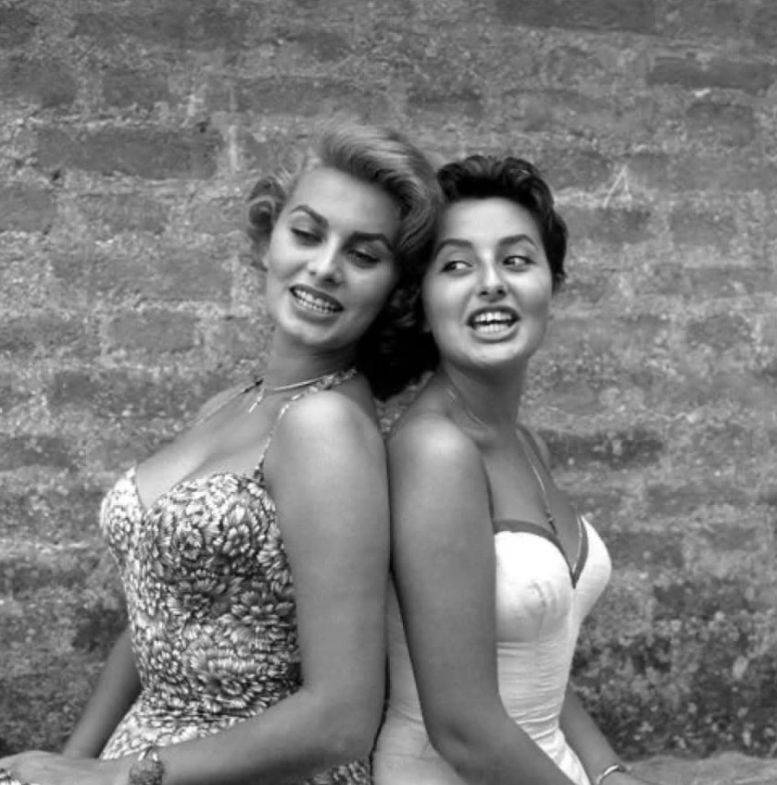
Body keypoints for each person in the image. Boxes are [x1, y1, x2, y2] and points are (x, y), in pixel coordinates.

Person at [0, 121, 441, 785]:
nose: (325, 266)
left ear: (395, 290)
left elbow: (340, 718)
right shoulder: (230, 404)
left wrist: (110, 777)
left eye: (362, 254)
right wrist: (72, 762)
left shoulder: (325, 427)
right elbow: (153, 615)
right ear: (268, 238)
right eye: (307, 233)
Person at [372, 155, 660, 785]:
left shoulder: (525, 444)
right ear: (421, 299)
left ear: (552, 283)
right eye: (457, 265)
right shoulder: (435, 452)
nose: (491, 283)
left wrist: (609, 772)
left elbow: (541, 661)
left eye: (516, 259)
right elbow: (463, 729)